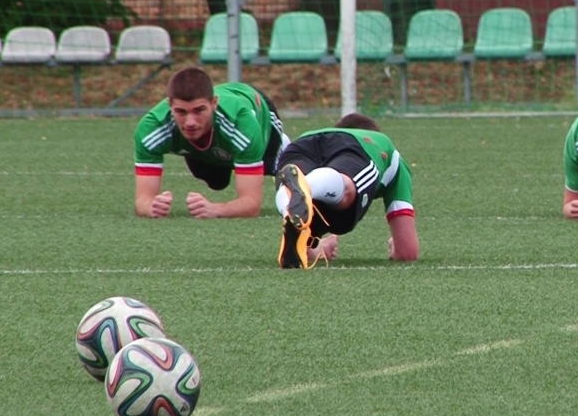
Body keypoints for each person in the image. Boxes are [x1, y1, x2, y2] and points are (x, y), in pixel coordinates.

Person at [133, 67, 289, 219]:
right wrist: (151, 207)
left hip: (258, 110)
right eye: (181, 112)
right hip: (216, 136)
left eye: (199, 110)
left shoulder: (241, 125)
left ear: (214, 103)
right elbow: (142, 200)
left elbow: (252, 205)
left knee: (270, 166)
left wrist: (215, 209)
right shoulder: (151, 129)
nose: (190, 122)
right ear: (170, 106)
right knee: (216, 181)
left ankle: (286, 148)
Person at [275, 115, 419, 269]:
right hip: (358, 145)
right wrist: (396, 247)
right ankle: (308, 186)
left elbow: (303, 245)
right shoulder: (381, 145)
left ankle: (291, 202)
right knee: (347, 196)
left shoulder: (320, 134)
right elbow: (407, 252)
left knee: (304, 205)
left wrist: (319, 249)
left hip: (300, 144)